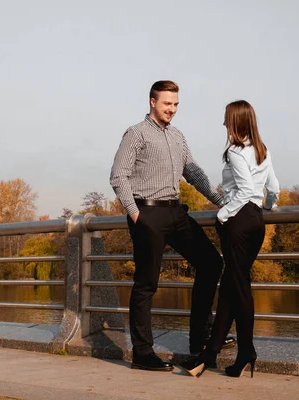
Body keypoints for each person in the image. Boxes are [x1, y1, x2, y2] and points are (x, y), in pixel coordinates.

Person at [110, 80, 232, 372]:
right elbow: (118, 176)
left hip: (176, 213)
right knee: (146, 284)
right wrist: (136, 214)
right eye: (167, 104)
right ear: (152, 102)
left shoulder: (177, 136)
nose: (172, 110)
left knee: (212, 263)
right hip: (147, 214)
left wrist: (221, 201)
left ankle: (200, 338)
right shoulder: (135, 134)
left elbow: (193, 172)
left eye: (176, 105)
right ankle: (142, 354)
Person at [186, 100, 280, 378]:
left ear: (236, 122)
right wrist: (265, 207)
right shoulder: (263, 150)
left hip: (237, 222)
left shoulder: (235, 152)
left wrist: (223, 215)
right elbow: (272, 189)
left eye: (226, 119)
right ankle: (211, 353)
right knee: (230, 285)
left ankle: (246, 351)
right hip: (256, 222)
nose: (224, 124)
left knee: (239, 288)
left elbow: (244, 189)